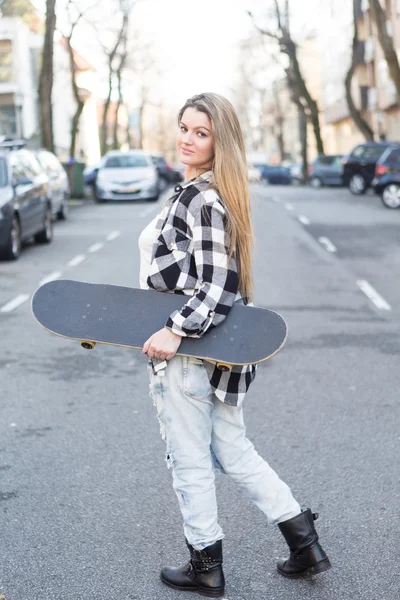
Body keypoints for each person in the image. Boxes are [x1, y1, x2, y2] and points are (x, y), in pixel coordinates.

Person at [138, 93, 331, 598]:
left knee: (190, 458)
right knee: (232, 450)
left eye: (201, 132)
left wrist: (176, 329)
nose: (187, 138)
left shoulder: (202, 198)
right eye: (184, 127)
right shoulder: (217, 193)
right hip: (220, 352)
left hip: (189, 352)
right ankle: (303, 541)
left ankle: (206, 564)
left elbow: (219, 284)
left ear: (220, 141)